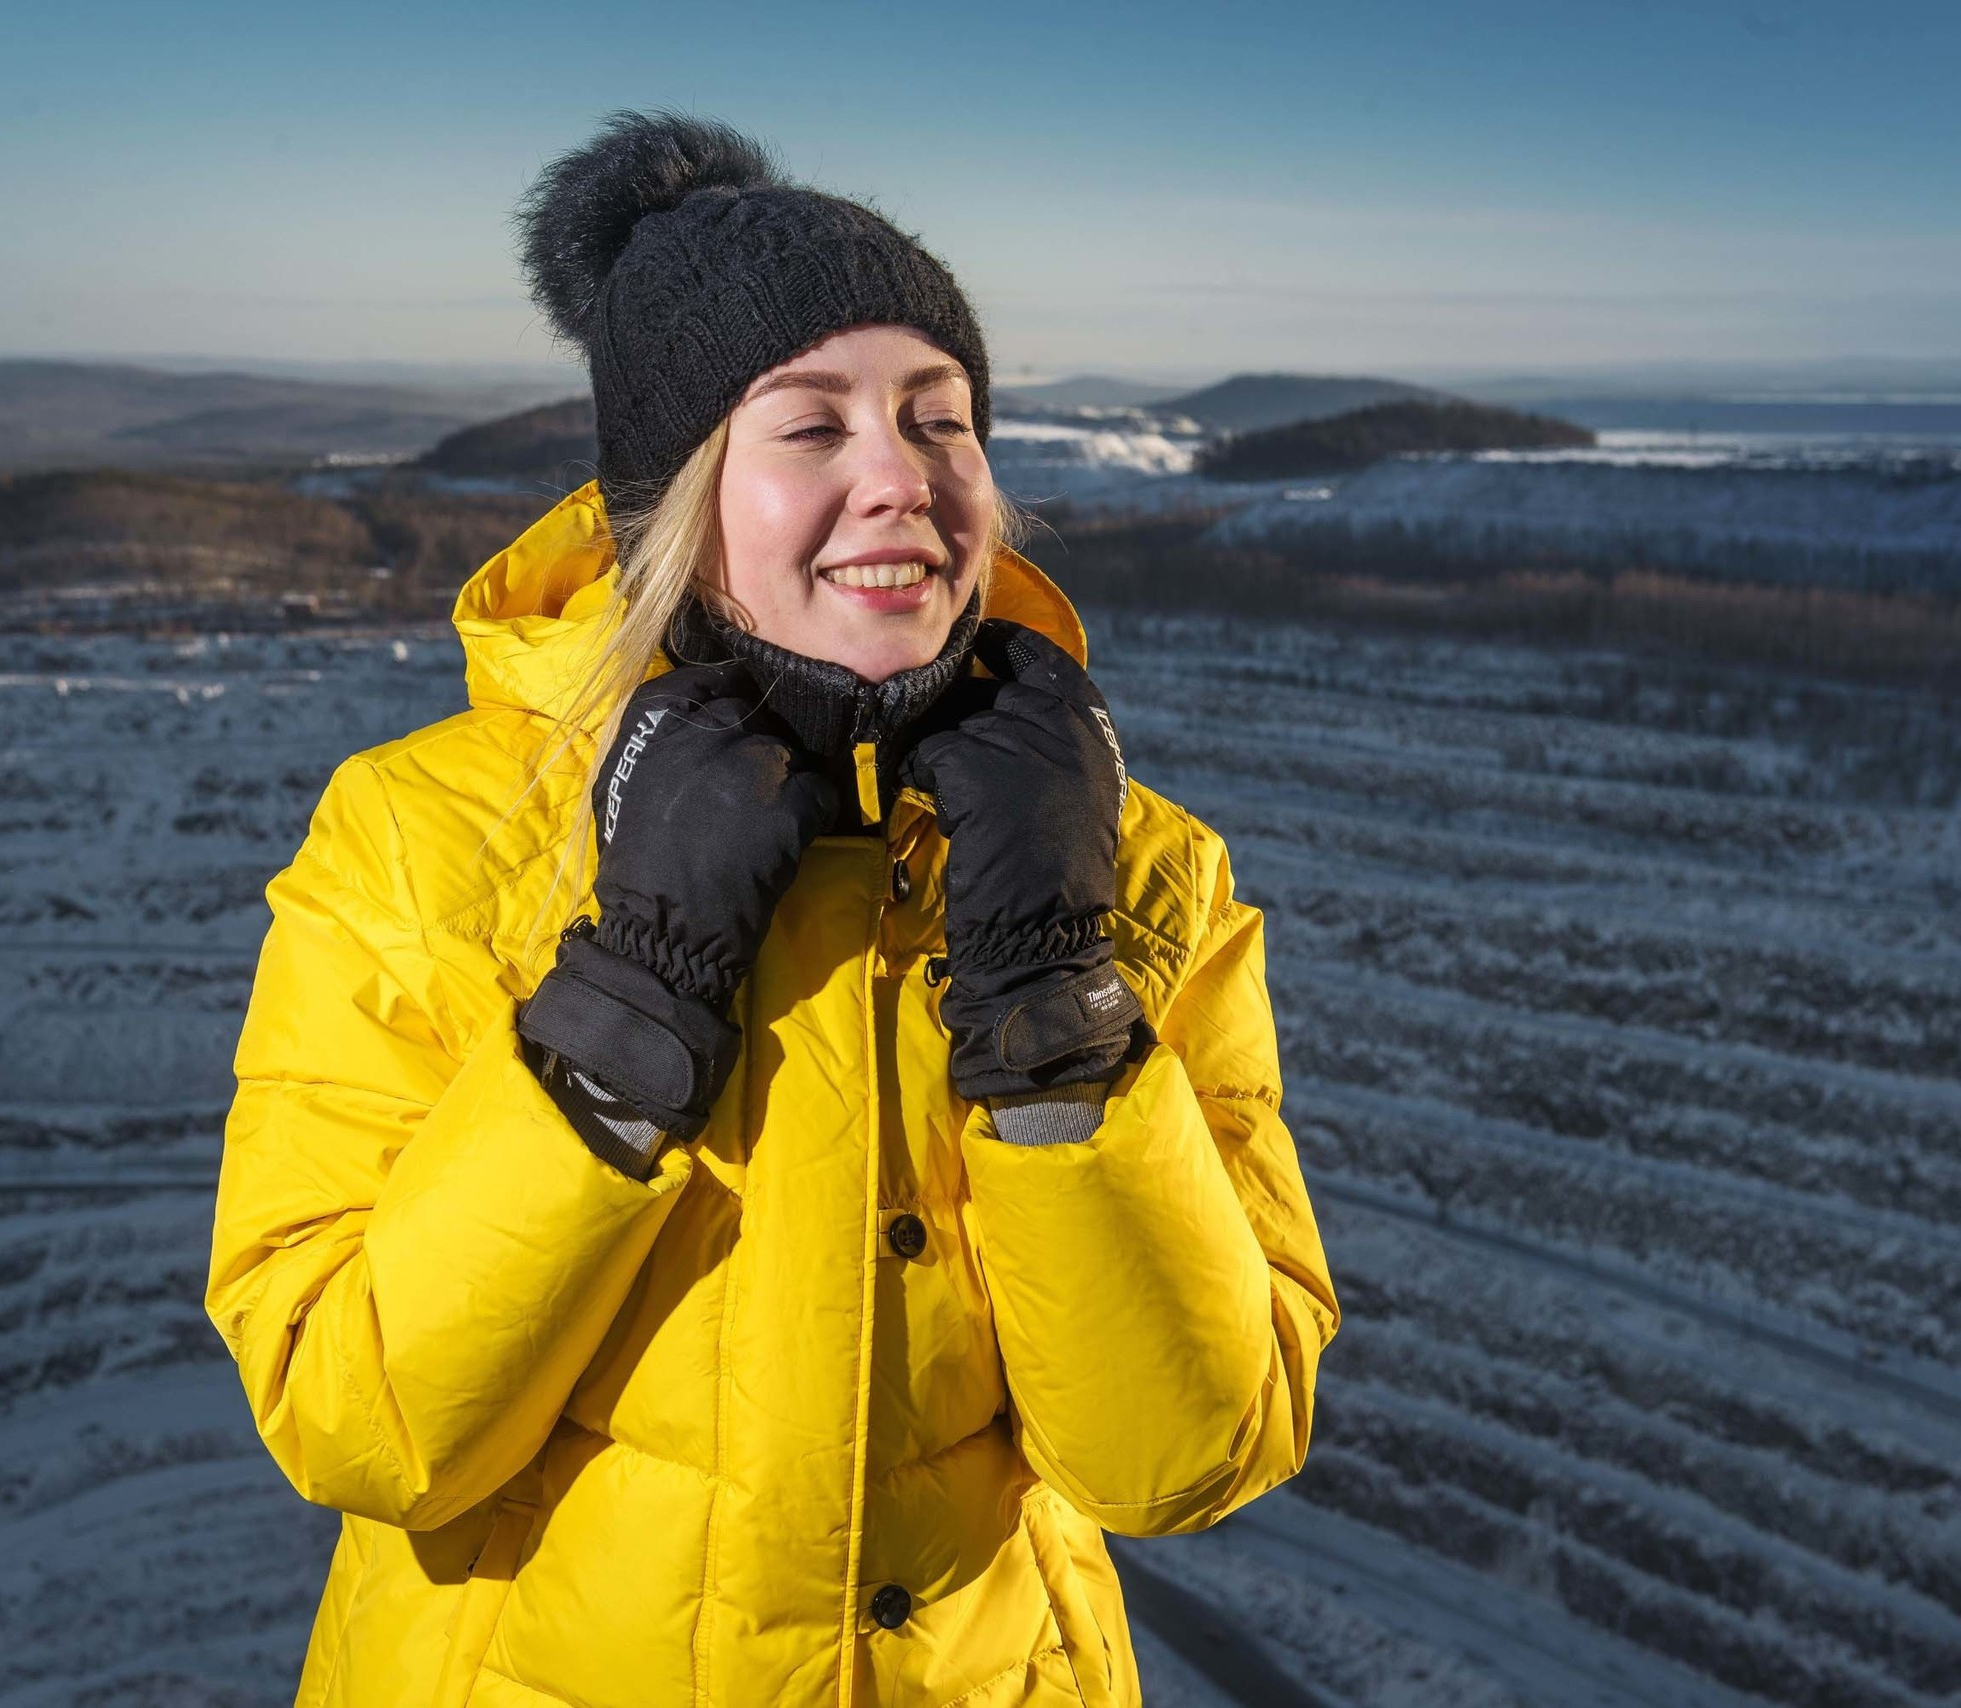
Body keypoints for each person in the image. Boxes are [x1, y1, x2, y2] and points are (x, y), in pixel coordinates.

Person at [207, 109, 1338, 1708]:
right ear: (672, 500)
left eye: (941, 423)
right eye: (811, 430)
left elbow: (1186, 1456)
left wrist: (1052, 1000)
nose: (903, 482)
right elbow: (352, 1418)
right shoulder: (426, 839)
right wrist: (623, 1006)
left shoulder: (1138, 870)